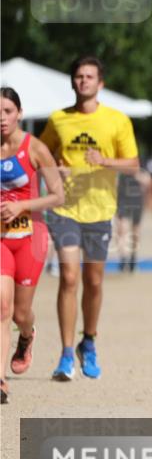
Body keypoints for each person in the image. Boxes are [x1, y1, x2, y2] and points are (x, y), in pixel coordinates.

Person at [40, 56, 140, 381]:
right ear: (72, 82)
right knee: (69, 277)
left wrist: (104, 161)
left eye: (90, 76)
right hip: (65, 210)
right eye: (79, 76)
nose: (84, 81)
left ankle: (89, 341)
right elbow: (39, 152)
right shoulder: (59, 120)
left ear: (101, 84)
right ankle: (66, 353)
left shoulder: (117, 121)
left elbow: (133, 164)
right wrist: (57, 165)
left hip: (99, 211)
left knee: (94, 281)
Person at [1, 88, 66, 403]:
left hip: (31, 236)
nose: (2, 118)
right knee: (2, 304)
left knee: (20, 313)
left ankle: (26, 336)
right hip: (0, 239)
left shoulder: (35, 147)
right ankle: (0, 380)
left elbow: (58, 195)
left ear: (19, 114)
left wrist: (23, 206)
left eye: (8, 111)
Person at [114, 166, 151, 272]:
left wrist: (135, 174)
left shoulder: (139, 165)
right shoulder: (118, 165)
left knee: (135, 231)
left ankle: (133, 258)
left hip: (136, 200)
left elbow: (147, 181)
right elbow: (113, 182)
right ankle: (123, 258)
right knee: (122, 230)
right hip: (122, 200)